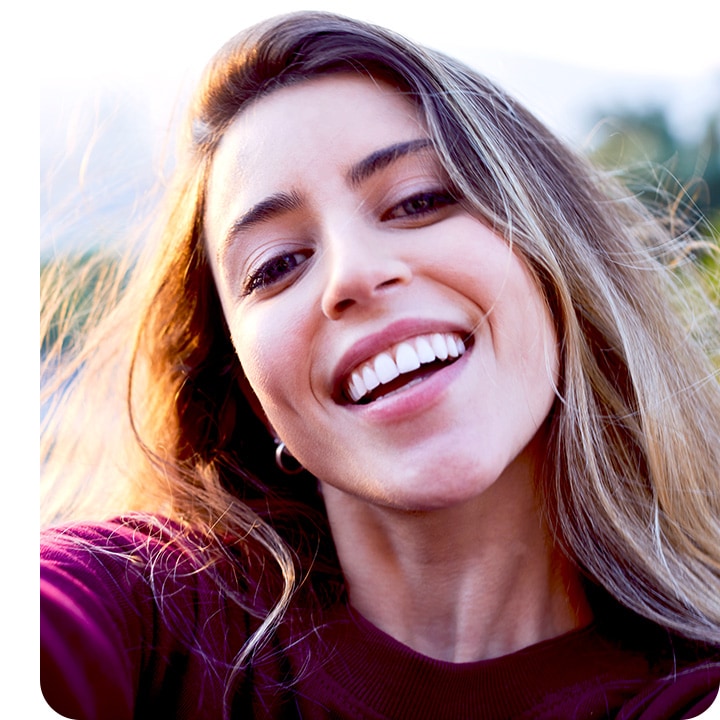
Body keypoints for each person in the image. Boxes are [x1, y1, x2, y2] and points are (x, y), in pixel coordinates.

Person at [40, 10, 720, 719]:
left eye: (418, 200)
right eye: (275, 266)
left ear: (555, 259)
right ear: (243, 385)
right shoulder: (148, 614)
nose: (353, 277)